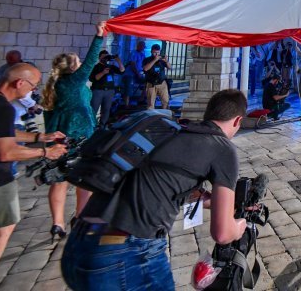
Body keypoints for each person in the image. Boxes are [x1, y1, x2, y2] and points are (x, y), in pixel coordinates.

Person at [62, 89, 250, 291]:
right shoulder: (222, 148)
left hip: (79, 244)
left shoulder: (175, 131)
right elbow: (222, 234)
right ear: (237, 120)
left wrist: (220, 203)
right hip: (126, 252)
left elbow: (168, 184)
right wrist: (239, 226)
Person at [42, 22, 107, 241]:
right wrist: (99, 36)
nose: (82, 65)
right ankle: (80, 218)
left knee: (60, 182)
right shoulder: (73, 82)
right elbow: (91, 62)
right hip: (79, 139)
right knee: (83, 181)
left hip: (62, 137)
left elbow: (48, 114)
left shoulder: (57, 84)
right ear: (72, 67)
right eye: (78, 63)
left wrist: (49, 139)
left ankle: (57, 224)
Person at [0, 64, 67, 263]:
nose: (33, 91)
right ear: (19, 82)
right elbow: (5, 151)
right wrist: (46, 151)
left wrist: (40, 136)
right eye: (33, 85)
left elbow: (5, 132)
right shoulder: (4, 108)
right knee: (4, 229)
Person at [89, 50, 125, 127]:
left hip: (109, 91)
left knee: (106, 109)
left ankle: (102, 125)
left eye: (107, 56)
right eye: (104, 57)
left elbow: (122, 71)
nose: (106, 58)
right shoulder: (96, 67)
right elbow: (93, 78)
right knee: (93, 109)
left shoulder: (111, 67)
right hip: (98, 91)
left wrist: (118, 60)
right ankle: (91, 125)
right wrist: (103, 73)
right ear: (100, 58)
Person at [142, 44, 170, 109]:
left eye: (158, 52)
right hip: (151, 83)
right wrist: (154, 60)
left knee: (165, 101)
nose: (156, 54)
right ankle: (151, 117)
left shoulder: (162, 60)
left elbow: (169, 67)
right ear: (151, 51)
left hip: (162, 83)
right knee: (150, 103)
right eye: (155, 52)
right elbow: (145, 68)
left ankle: (164, 115)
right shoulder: (147, 60)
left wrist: (167, 61)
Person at [122, 39, 146, 105]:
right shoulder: (133, 53)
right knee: (129, 87)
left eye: (143, 46)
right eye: (142, 46)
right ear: (138, 46)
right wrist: (138, 74)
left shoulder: (142, 54)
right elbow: (133, 65)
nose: (143, 48)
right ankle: (126, 104)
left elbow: (144, 64)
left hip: (139, 73)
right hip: (130, 74)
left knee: (148, 83)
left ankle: (141, 99)